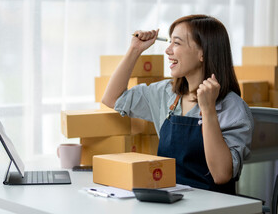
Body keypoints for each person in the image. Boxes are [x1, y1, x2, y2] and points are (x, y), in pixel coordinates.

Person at [101, 14, 253, 195]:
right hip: (171, 200)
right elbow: (112, 99)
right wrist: (135, 50)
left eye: (177, 43)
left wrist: (208, 110)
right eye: (169, 42)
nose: (168, 50)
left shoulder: (233, 107)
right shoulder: (166, 93)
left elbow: (221, 175)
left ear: (202, 52)